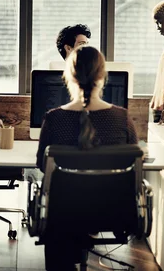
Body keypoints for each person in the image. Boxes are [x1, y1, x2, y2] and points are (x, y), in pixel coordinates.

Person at [36, 46, 138, 270]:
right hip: (111, 212)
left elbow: (42, 166)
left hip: (63, 215)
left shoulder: (54, 119)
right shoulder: (122, 119)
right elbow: (132, 162)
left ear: (68, 77)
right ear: (103, 76)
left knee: (61, 216)